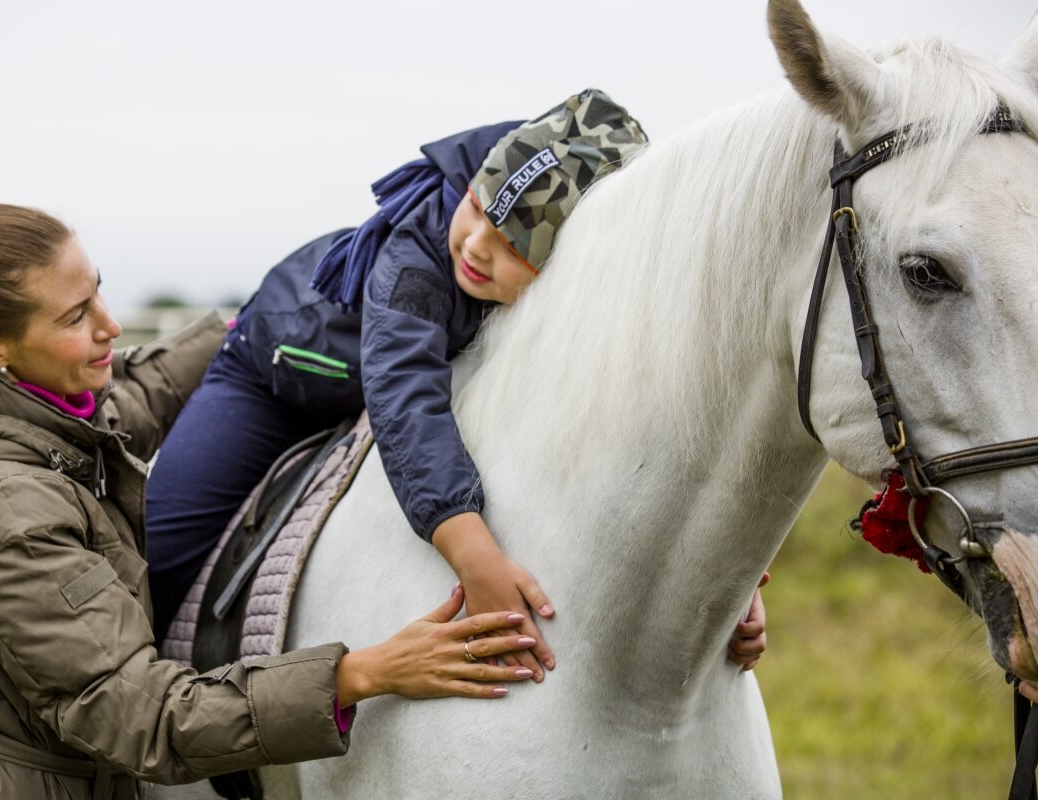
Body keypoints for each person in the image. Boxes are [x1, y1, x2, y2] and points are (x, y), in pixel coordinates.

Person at [0, 203, 540, 800]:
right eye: (76, 316)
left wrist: (271, 322)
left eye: (99, 291)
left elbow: (138, 391)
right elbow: (141, 715)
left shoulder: (26, 407)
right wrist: (363, 672)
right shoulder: (2, 512)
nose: (110, 326)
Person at [145, 89, 770, 679]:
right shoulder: (420, 251)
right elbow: (403, 389)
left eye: (511, 245)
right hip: (272, 379)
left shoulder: (581, 294)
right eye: (475, 207)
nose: (472, 246)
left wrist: (726, 584)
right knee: (161, 551)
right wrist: (474, 556)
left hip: (362, 384)